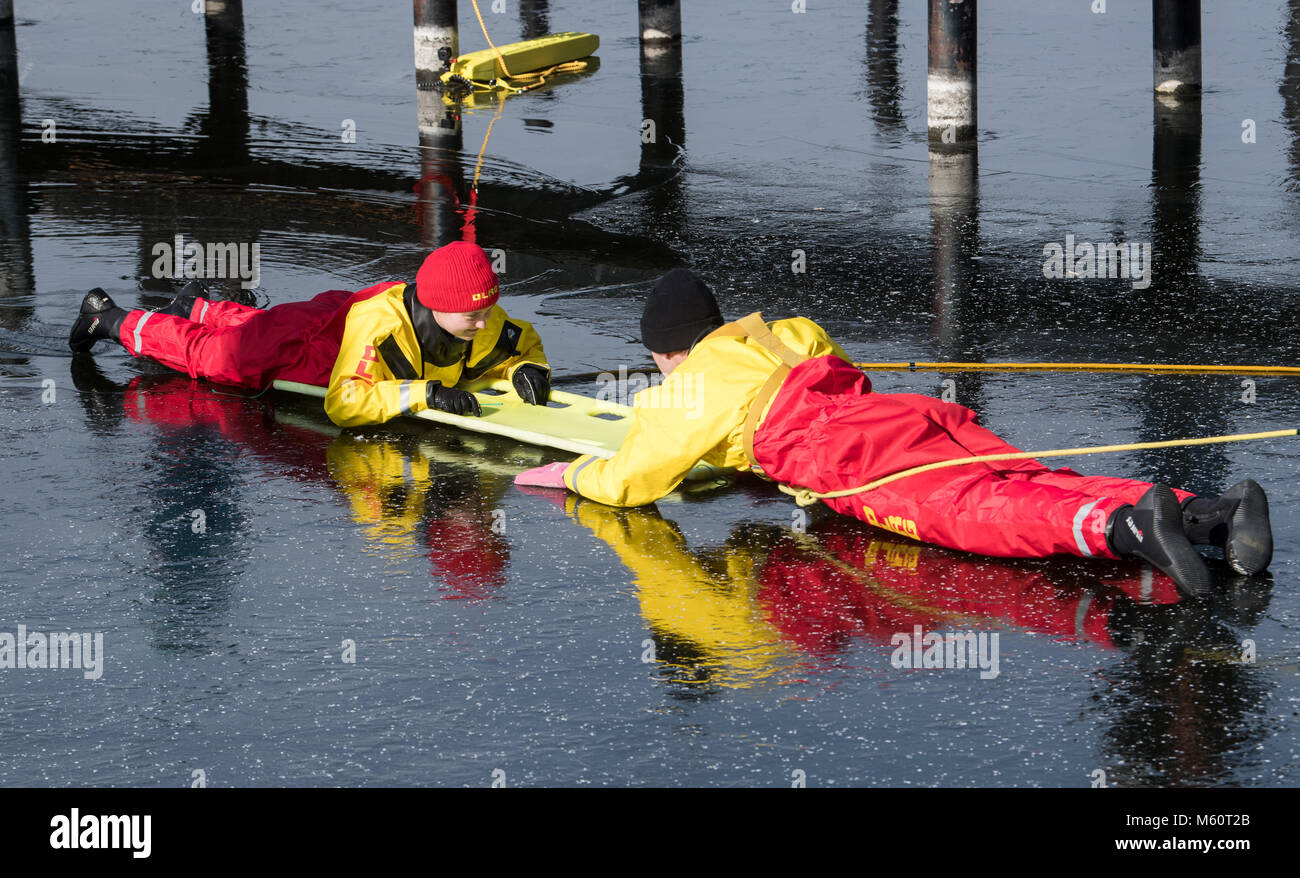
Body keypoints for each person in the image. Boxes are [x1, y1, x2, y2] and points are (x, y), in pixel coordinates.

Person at [516, 268, 1273, 597]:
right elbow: (838, 374)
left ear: (667, 350)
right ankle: (1205, 506)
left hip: (845, 461)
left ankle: (1121, 526)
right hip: (898, 416)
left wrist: (569, 476)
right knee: (1018, 474)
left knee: (972, 512)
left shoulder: (683, 390)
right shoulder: (783, 333)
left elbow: (635, 479)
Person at [68, 241, 551, 427]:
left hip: (331, 335)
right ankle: (107, 318)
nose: (487, 322)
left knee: (258, 332)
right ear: (436, 305)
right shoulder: (381, 326)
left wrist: (531, 368)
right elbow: (344, 403)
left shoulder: (477, 312)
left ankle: (195, 306)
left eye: (489, 309)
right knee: (221, 360)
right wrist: (422, 395)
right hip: (327, 339)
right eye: (475, 316)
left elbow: (519, 341)